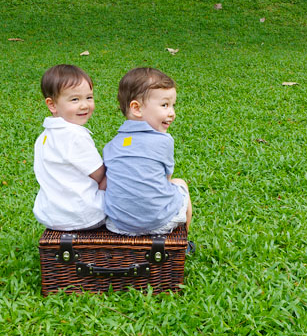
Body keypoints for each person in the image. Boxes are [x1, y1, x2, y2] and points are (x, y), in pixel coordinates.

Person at [103, 67, 193, 238]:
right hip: (159, 222)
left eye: (173, 105)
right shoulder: (163, 141)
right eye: (165, 105)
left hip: (118, 225)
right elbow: (166, 180)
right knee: (180, 183)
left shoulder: (111, 146)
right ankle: (183, 241)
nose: (172, 113)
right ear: (137, 108)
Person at [33, 64, 106, 231]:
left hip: (52, 216)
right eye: (75, 99)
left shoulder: (44, 137)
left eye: (89, 97)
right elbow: (99, 174)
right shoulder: (74, 135)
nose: (84, 105)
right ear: (52, 105)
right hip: (84, 216)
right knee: (118, 170)